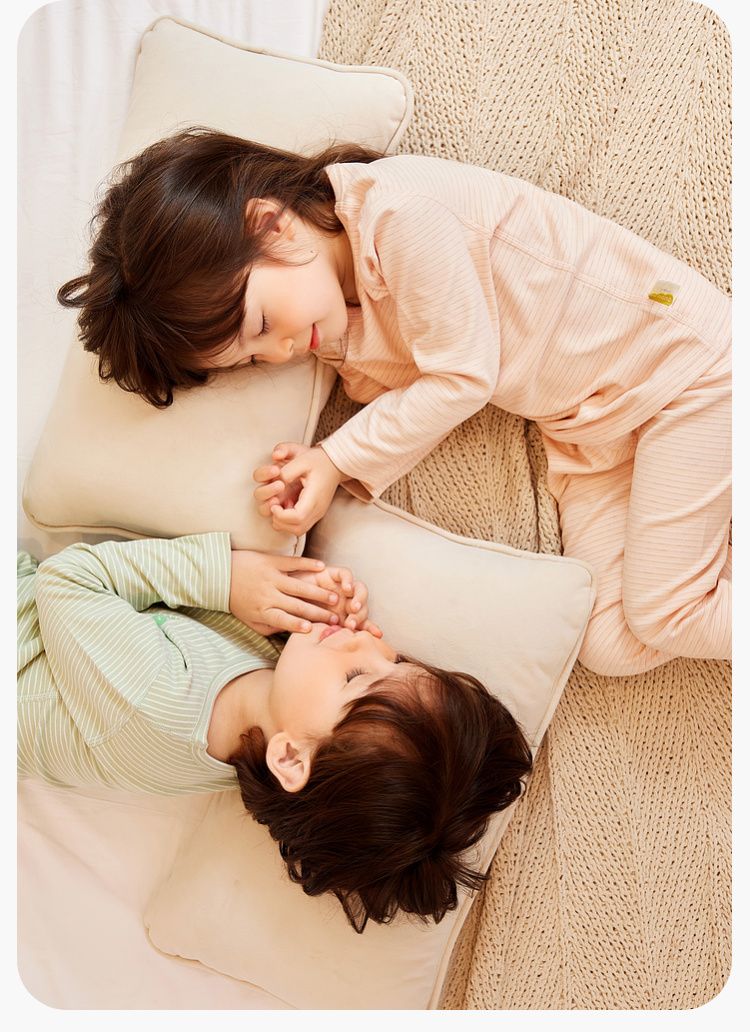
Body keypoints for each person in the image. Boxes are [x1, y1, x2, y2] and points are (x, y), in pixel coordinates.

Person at [57, 128, 732, 678]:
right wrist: (308, 468)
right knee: (609, 643)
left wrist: (334, 459)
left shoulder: (405, 216)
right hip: (592, 431)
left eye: (261, 326)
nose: (281, 350)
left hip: (679, 370)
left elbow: (462, 378)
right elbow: (403, 388)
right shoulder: (331, 323)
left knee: (664, 613)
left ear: (272, 224)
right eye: (253, 360)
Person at [17, 533, 532, 933]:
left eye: (356, 678)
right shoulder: (265, 709)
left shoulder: (154, 698)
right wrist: (298, 617)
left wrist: (226, 579)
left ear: (289, 758)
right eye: (395, 661)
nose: (368, 643)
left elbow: (66, 579)